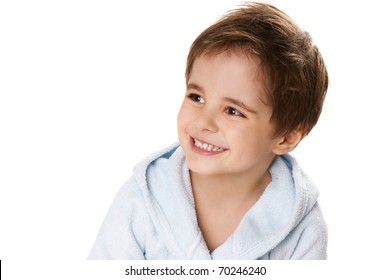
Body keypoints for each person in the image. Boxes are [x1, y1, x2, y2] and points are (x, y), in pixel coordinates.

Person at [88, 2, 328, 260]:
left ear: (286, 137)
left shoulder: (302, 228)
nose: (203, 122)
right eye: (196, 97)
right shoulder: (141, 199)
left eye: (233, 111)